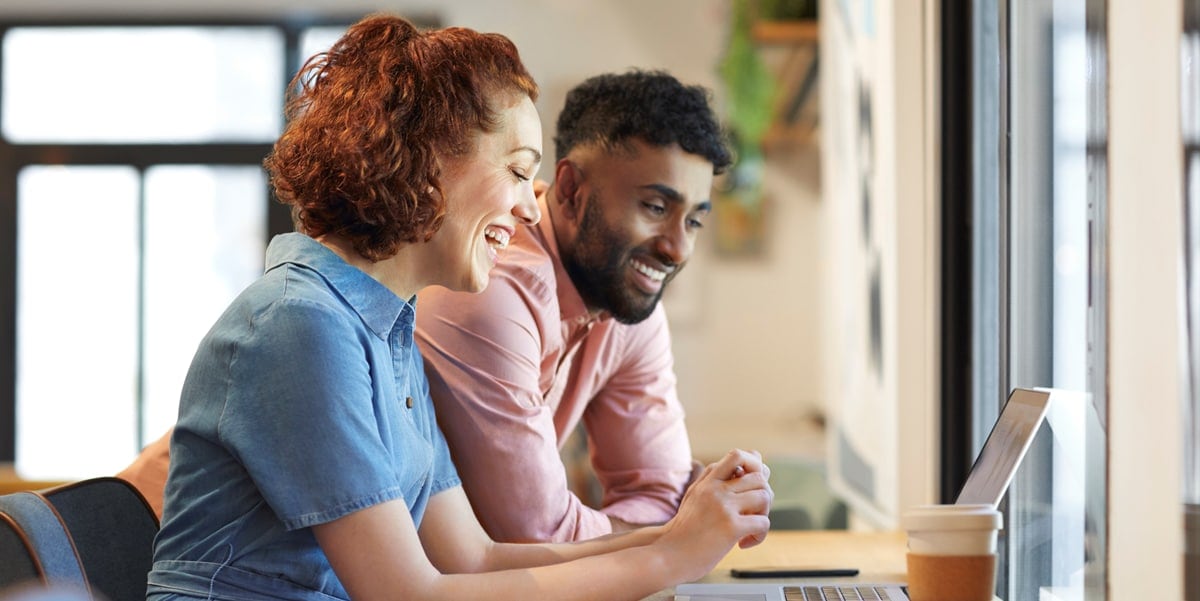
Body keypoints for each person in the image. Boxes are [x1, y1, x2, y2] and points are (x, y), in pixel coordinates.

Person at [144, 14, 772, 601]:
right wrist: (669, 559)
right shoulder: (299, 324)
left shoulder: (384, 331)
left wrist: (684, 534)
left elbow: (473, 558)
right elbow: (408, 593)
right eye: (518, 171)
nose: (532, 208)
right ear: (427, 162)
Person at [415, 69, 730, 542]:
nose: (678, 249)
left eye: (694, 221)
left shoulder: (625, 303)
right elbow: (537, 535)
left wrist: (670, 527)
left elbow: (659, 490)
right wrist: (672, 536)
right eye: (656, 208)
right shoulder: (487, 289)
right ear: (569, 190)